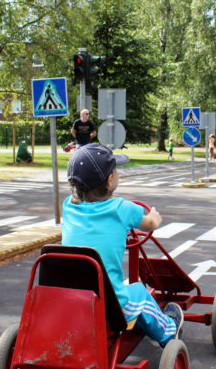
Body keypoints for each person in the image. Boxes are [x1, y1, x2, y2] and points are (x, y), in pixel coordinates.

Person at [62, 144, 184, 347]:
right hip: (110, 306)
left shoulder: (68, 206)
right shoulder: (122, 208)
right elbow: (151, 224)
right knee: (139, 292)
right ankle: (169, 330)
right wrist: (154, 215)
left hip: (72, 301)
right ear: (110, 180)